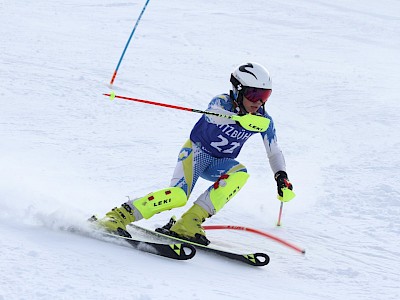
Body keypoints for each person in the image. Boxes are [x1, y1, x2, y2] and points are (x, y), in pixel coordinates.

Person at [96, 62, 294, 245]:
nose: (258, 102)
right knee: (178, 196)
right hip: (195, 154)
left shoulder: (263, 120)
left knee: (240, 174)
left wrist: (281, 177)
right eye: (253, 95)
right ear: (238, 90)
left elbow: (274, 151)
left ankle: (189, 222)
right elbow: (213, 117)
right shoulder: (221, 103)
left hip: (219, 163)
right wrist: (239, 119)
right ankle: (118, 216)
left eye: (265, 96)